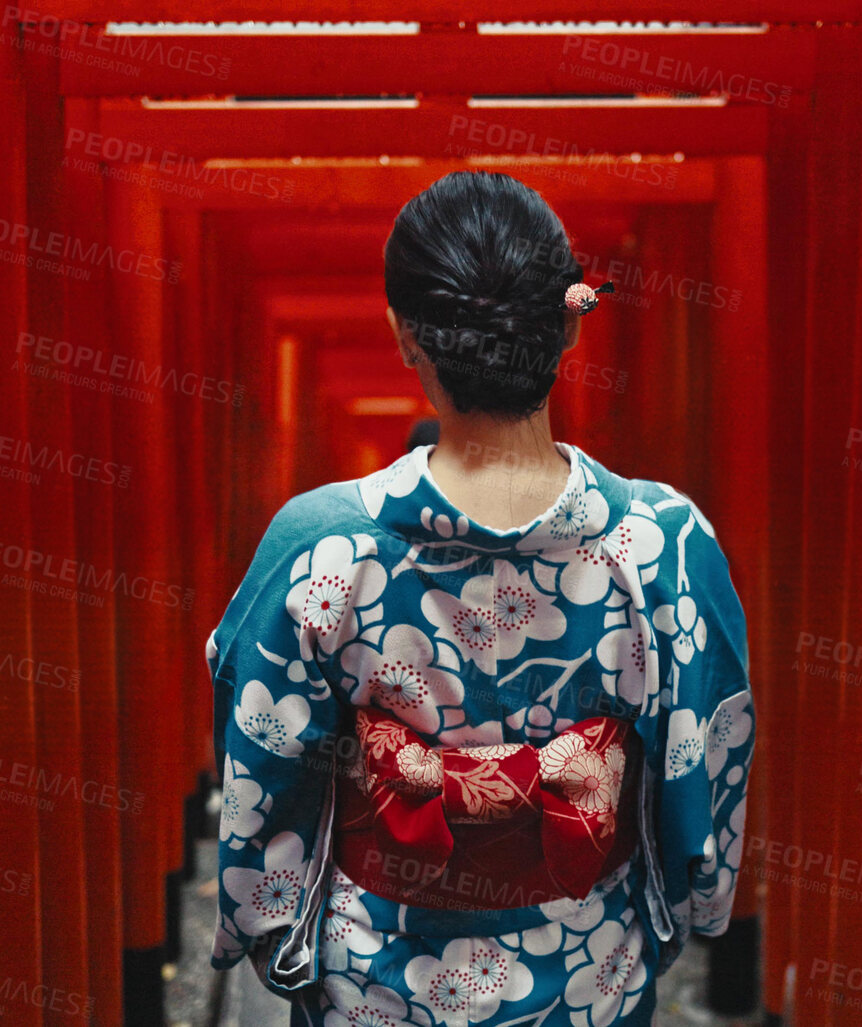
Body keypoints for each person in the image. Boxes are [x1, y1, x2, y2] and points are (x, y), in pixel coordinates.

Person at [207, 170, 753, 1027]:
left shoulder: (322, 544)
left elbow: (264, 766)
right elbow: (704, 763)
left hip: (374, 983)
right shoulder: (662, 543)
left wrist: (264, 925)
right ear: (570, 321)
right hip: (589, 975)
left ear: (403, 337)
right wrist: (692, 909)